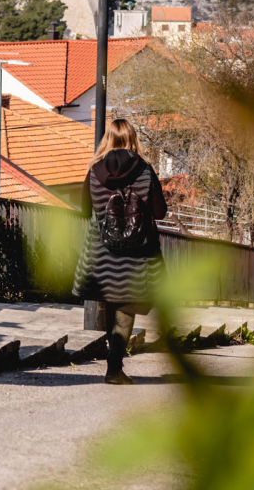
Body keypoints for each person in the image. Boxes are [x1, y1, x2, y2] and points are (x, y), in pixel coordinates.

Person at [72, 118, 168, 385]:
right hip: (137, 258)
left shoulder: (94, 172)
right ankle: (114, 368)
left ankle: (112, 365)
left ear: (107, 140)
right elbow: (160, 212)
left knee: (109, 305)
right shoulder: (146, 171)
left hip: (102, 257)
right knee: (126, 310)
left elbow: (83, 210)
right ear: (133, 140)